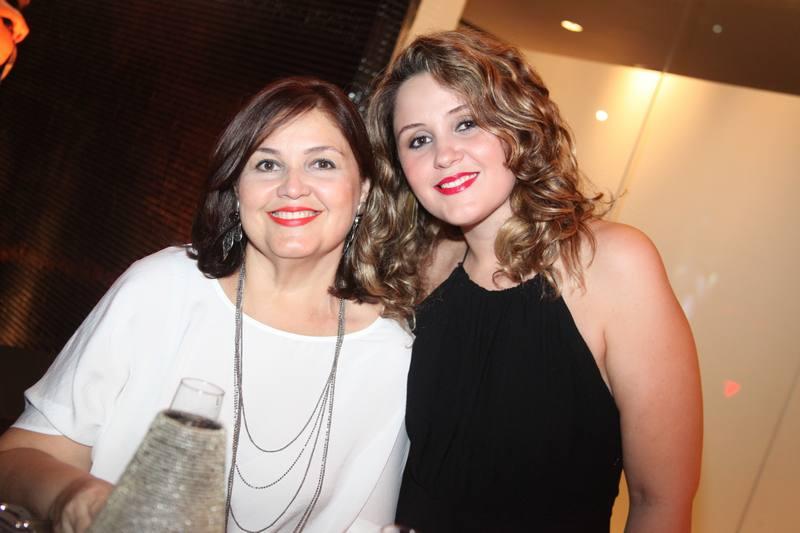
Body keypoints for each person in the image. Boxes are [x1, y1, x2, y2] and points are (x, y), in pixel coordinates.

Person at [0, 77, 413, 532]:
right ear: (237, 190)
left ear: (364, 190)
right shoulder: (162, 288)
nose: (293, 187)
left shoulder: (392, 355)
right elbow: (20, 456)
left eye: (322, 163)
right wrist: (76, 498)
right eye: (267, 164)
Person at [365, 29, 703, 532]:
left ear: (517, 125)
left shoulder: (613, 264)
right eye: (419, 139)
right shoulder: (418, 270)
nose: (444, 155)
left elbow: (661, 501)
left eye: (466, 124)